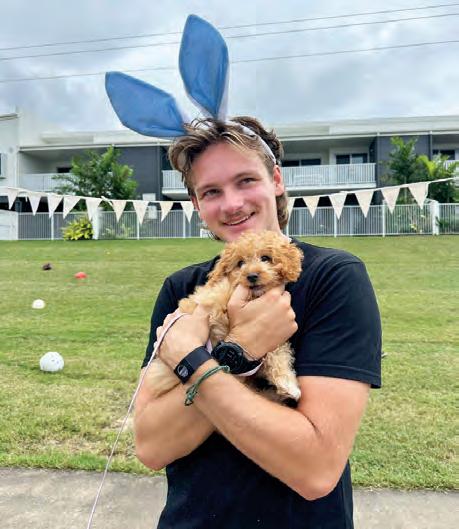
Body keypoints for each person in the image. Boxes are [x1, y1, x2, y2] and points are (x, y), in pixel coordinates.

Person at [134, 116, 382, 529]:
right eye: (211, 191)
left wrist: (207, 358)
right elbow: (152, 446)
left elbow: (315, 468)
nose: (232, 204)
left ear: (276, 180)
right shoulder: (182, 287)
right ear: (196, 204)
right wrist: (239, 353)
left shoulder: (334, 278)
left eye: (245, 180)